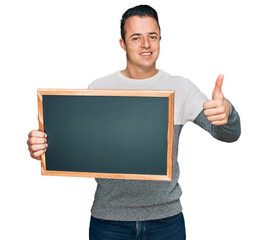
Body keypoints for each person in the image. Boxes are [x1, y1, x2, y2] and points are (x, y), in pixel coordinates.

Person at [27, 5, 241, 240]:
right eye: (136, 37)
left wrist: (227, 112)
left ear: (160, 39)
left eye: (153, 36)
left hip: (166, 220)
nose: (146, 45)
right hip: (109, 221)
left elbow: (227, 134)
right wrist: (45, 147)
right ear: (122, 43)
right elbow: (81, 149)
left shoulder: (182, 87)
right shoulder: (98, 89)